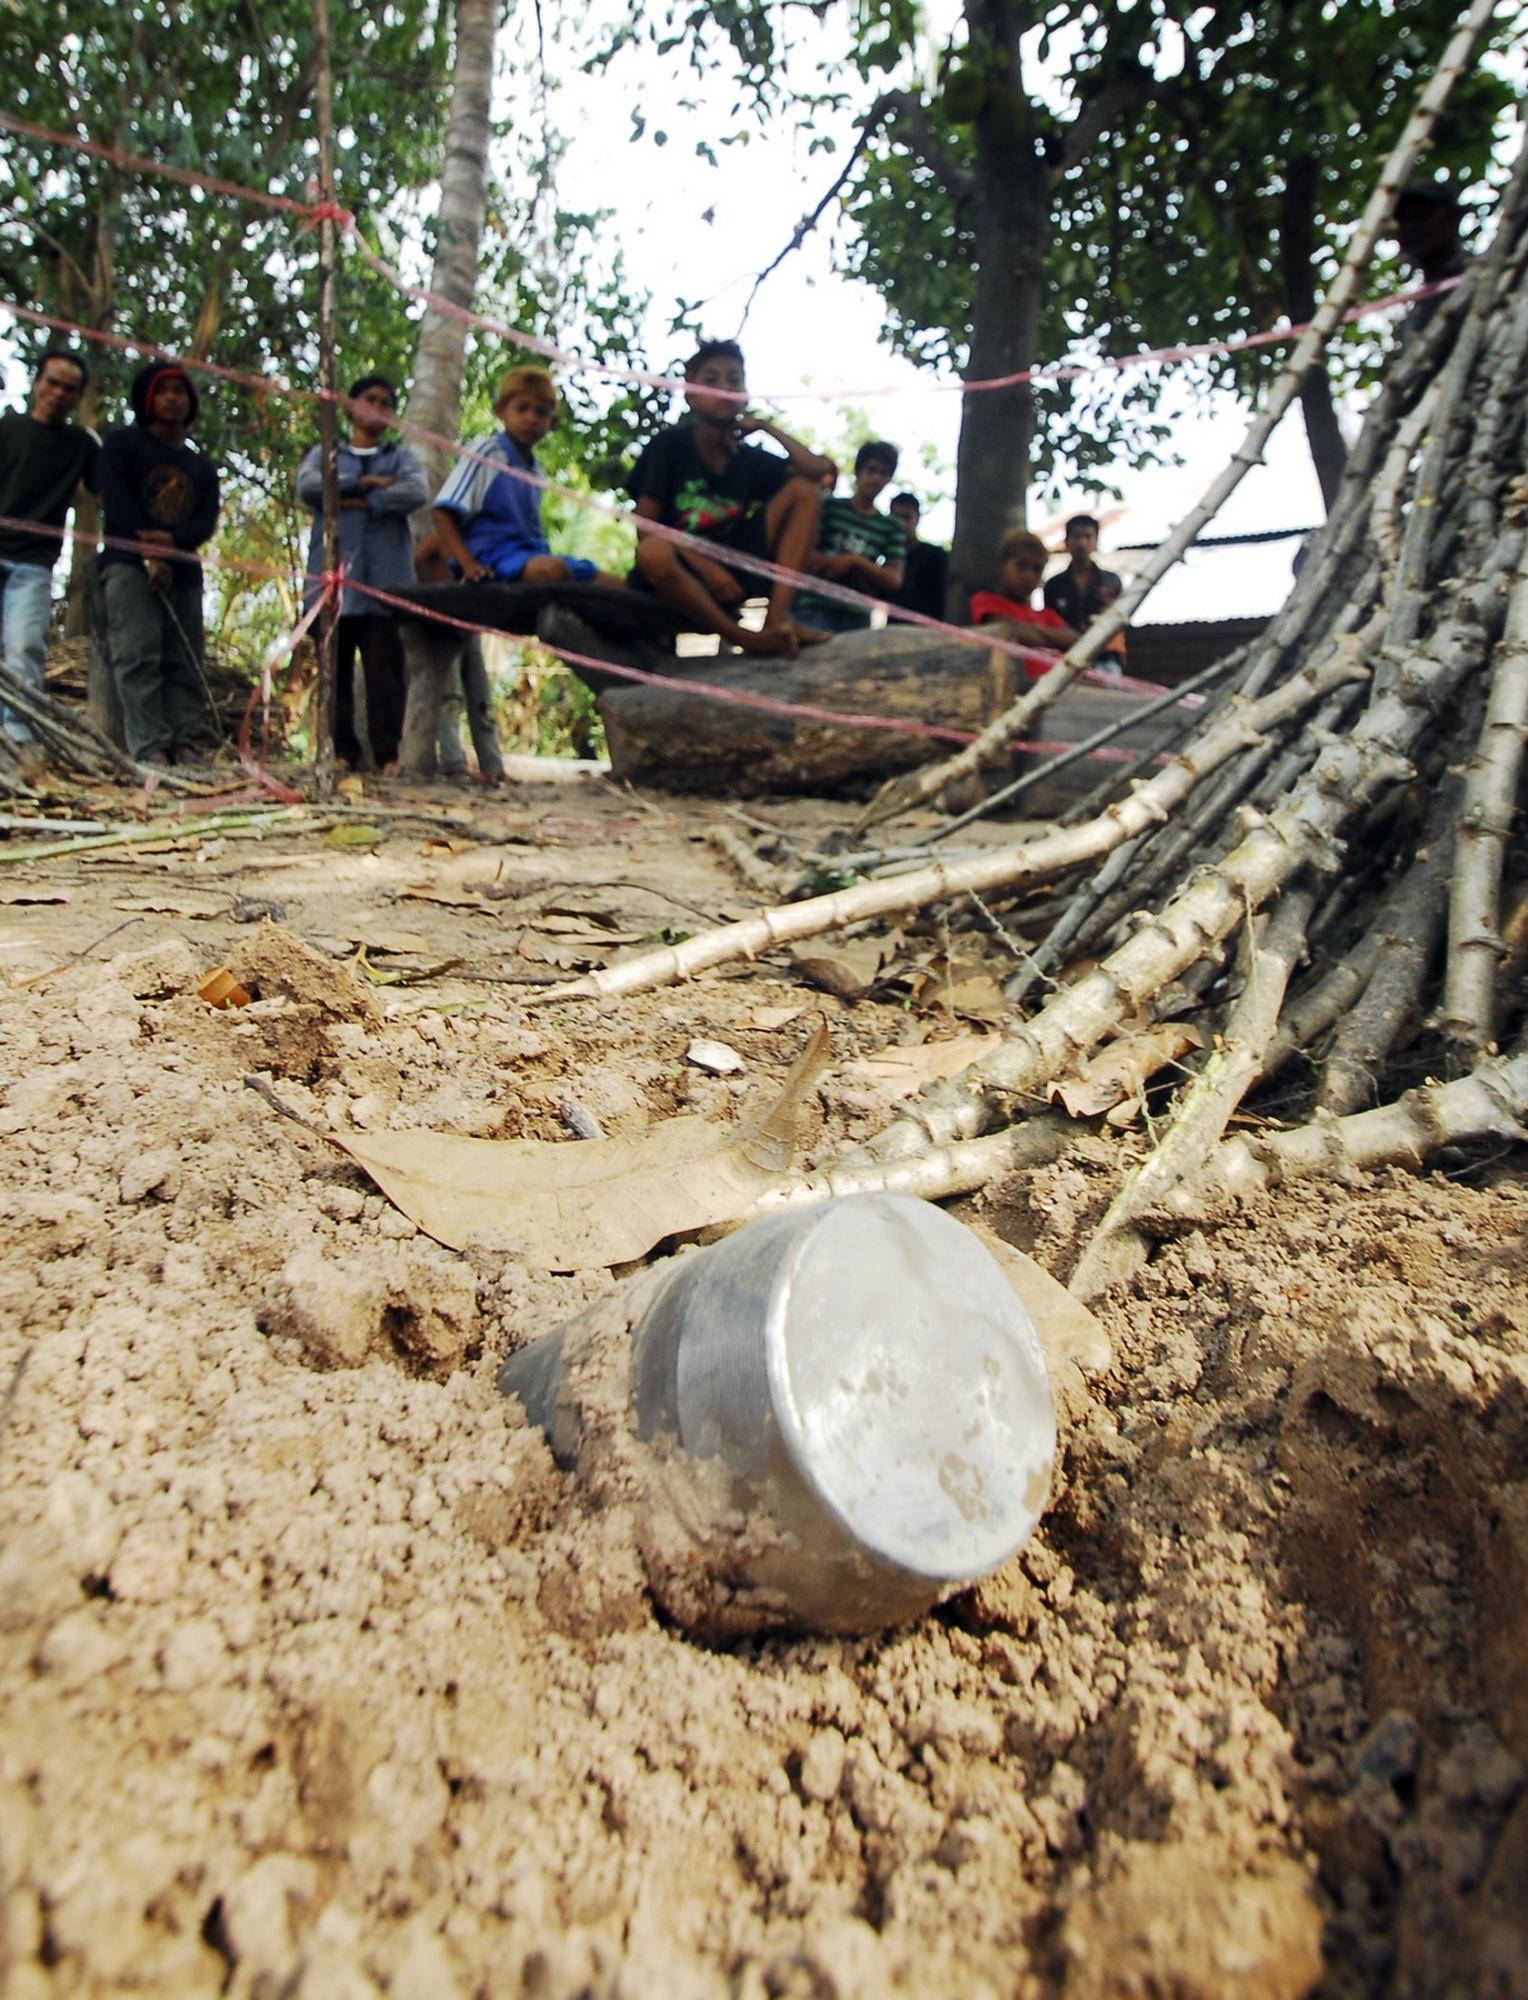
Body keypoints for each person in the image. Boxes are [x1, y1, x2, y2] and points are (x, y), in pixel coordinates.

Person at [627, 337, 835, 659]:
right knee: (653, 550)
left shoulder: (748, 459)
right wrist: (706, 565)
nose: (724, 388)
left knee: (803, 493)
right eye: (711, 380)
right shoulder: (668, 446)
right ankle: (743, 638)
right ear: (691, 395)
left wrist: (766, 427)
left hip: (735, 570)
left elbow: (819, 472)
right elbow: (644, 528)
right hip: (680, 571)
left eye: (733, 380)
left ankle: (777, 619)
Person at [298, 373, 428, 768]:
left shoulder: (403, 457)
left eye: (386, 402)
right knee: (333, 671)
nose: (378, 407)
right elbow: (309, 487)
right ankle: (340, 753)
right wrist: (365, 483)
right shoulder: (326, 453)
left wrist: (357, 498)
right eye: (370, 399)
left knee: (385, 674)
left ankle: (388, 756)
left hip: (385, 585)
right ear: (351, 406)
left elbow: (415, 492)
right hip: (331, 582)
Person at [98, 363, 220, 768]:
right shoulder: (121, 447)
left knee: (184, 659)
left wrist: (172, 545)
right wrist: (147, 552)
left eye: (180, 391)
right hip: (127, 566)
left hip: (184, 572)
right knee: (138, 654)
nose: (172, 398)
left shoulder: (201, 466)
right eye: (163, 390)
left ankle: (185, 741)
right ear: (147, 399)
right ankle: (150, 745)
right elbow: (116, 505)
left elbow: (205, 521)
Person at [431, 365, 619, 588]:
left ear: (552, 422)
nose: (531, 418)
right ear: (501, 410)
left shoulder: (535, 468)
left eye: (541, 412)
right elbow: (443, 511)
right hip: (491, 555)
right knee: (552, 571)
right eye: (522, 408)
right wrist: (468, 565)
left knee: (614, 583)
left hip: (529, 553)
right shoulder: (489, 452)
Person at [0, 349, 99, 768]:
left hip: (34, 566)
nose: (58, 393)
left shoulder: (81, 444)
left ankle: (19, 740)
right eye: (52, 382)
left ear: (79, 397)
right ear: (37, 382)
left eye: (70, 389)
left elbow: (105, 487)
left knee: (25, 648)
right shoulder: (7, 427)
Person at [796, 441, 906, 633]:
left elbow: (894, 579)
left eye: (883, 473)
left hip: (857, 616)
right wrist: (847, 570)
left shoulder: (892, 526)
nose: (875, 478)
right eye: (871, 470)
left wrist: (854, 562)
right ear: (858, 471)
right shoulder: (829, 507)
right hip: (813, 607)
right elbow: (804, 554)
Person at [970, 529, 1082, 652]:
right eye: (1021, 566)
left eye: (1037, 569)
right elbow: (1008, 631)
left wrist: (1034, 628)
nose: (1029, 575)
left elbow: (1078, 641)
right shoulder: (985, 600)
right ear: (1001, 566)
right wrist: (1055, 638)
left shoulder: (1047, 615)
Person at [1394, 182, 1466, 337]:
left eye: (1421, 214)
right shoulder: (1418, 306)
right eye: (1403, 220)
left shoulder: (1478, 277)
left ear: (1453, 218)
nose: (1411, 227)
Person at [888, 490, 949, 622]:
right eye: (896, 518)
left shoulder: (936, 556)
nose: (901, 524)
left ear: (918, 518)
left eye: (906, 517)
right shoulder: (888, 562)